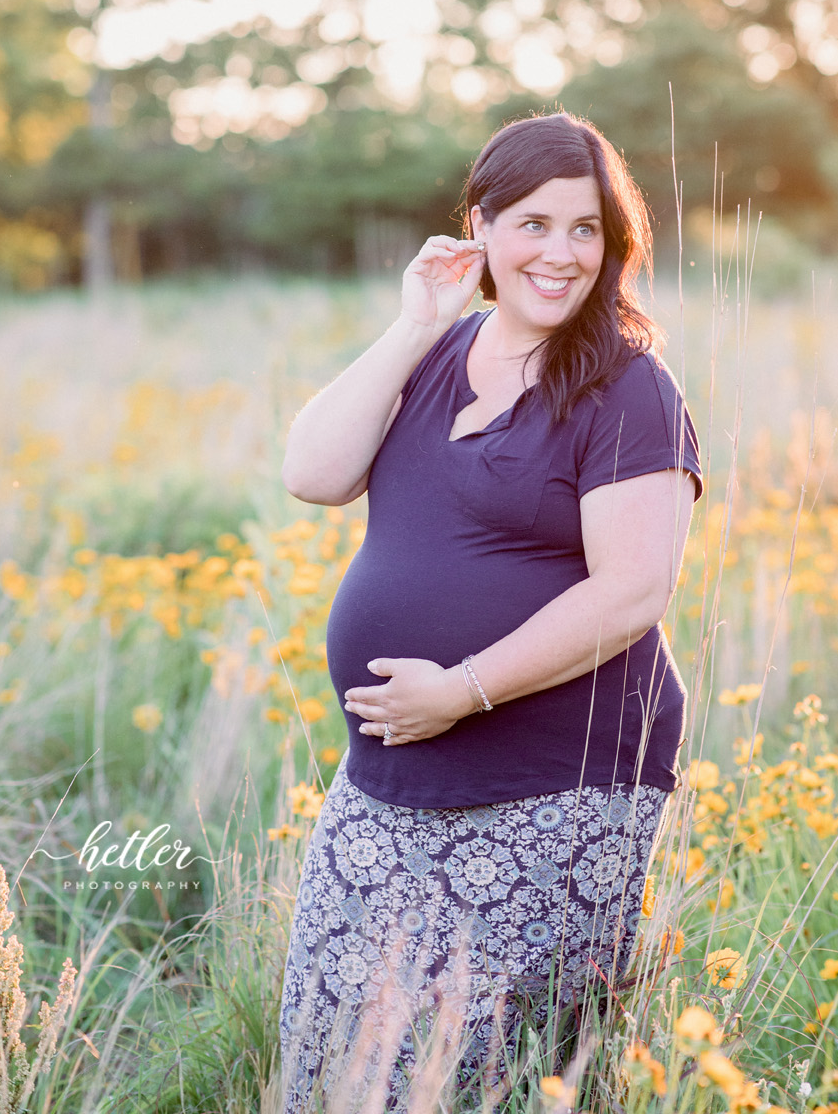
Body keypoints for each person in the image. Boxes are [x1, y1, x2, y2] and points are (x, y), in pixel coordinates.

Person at [278, 112, 702, 1112]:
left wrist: (462, 690)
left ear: (615, 245)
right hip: (387, 774)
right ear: (480, 227)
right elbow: (312, 471)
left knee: (479, 1074)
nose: (559, 253)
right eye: (533, 223)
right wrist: (414, 320)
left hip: (554, 779)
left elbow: (633, 589)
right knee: (332, 1050)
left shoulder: (628, 388)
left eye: (587, 229)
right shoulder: (435, 352)